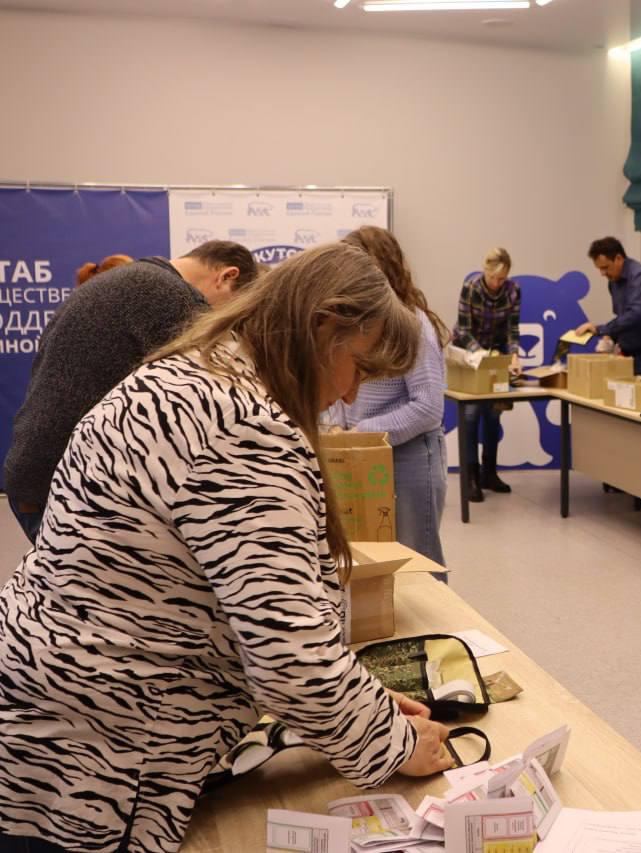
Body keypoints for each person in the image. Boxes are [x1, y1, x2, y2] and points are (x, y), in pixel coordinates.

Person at [0, 244, 454, 853]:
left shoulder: (190, 373)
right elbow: (291, 659)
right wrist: (393, 743)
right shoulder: (245, 426)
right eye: (359, 367)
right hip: (102, 751)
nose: (350, 395)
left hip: (51, 707)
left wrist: (361, 701)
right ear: (325, 326)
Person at [4, 240, 258, 544]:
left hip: (38, 471)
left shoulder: (129, 280)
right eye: (231, 307)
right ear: (227, 276)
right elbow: (224, 392)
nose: (223, 317)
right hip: (69, 485)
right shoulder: (173, 298)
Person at [338, 226, 450, 570]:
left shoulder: (412, 325)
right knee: (371, 557)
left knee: (418, 561)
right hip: (364, 451)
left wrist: (363, 432)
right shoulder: (359, 322)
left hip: (409, 456)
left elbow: (428, 407)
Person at [453, 247, 522, 502]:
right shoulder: (471, 288)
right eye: (493, 277)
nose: (497, 283)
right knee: (471, 414)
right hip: (470, 354)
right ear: (485, 271)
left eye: (502, 278)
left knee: (494, 413)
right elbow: (463, 330)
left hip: (495, 356)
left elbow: (512, 330)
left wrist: (514, 355)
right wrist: (481, 353)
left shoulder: (514, 291)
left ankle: (489, 472)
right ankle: (470, 476)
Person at [576, 237, 641, 379]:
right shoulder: (613, 282)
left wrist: (601, 329)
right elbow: (622, 317)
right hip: (631, 355)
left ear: (618, 258)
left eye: (605, 267)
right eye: (599, 269)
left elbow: (637, 314)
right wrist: (610, 338)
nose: (602, 273)